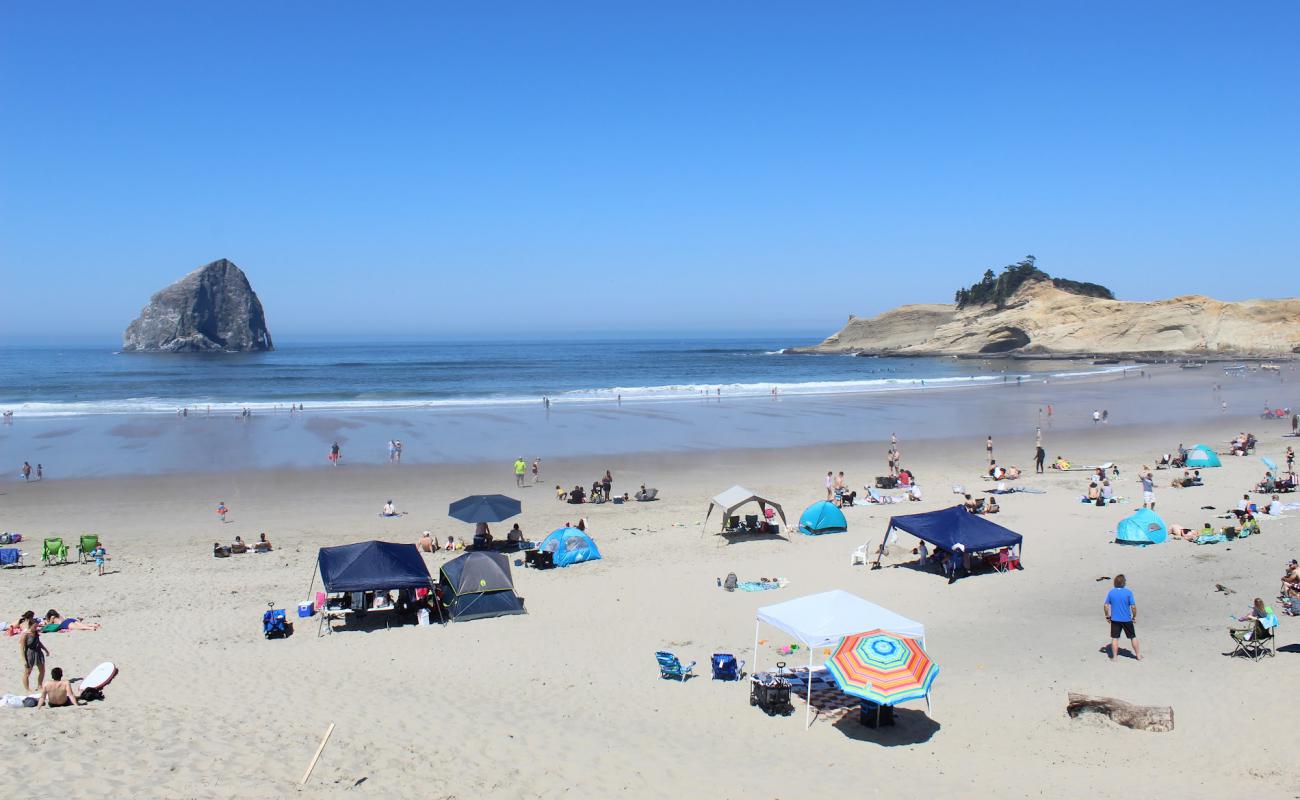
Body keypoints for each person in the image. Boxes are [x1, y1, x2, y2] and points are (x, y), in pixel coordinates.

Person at [1104, 575, 1140, 661]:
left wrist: (1107, 615)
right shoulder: (1128, 592)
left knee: (1115, 638)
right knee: (1133, 637)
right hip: (1127, 619)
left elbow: (1106, 605)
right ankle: (1138, 655)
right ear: (1124, 583)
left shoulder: (1111, 592)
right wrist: (1134, 616)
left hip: (1115, 619)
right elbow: (1133, 607)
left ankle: (1115, 657)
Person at [21, 618, 49, 691]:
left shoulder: (36, 632)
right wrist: (24, 660)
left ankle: (39, 685)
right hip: (29, 653)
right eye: (34, 626)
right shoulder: (25, 635)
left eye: (36, 626)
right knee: (27, 672)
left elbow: (39, 642)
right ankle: (27, 688)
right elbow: (22, 648)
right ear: (30, 626)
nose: (36, 628)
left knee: (42, 670)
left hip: (38, 652)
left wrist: (45, 650)